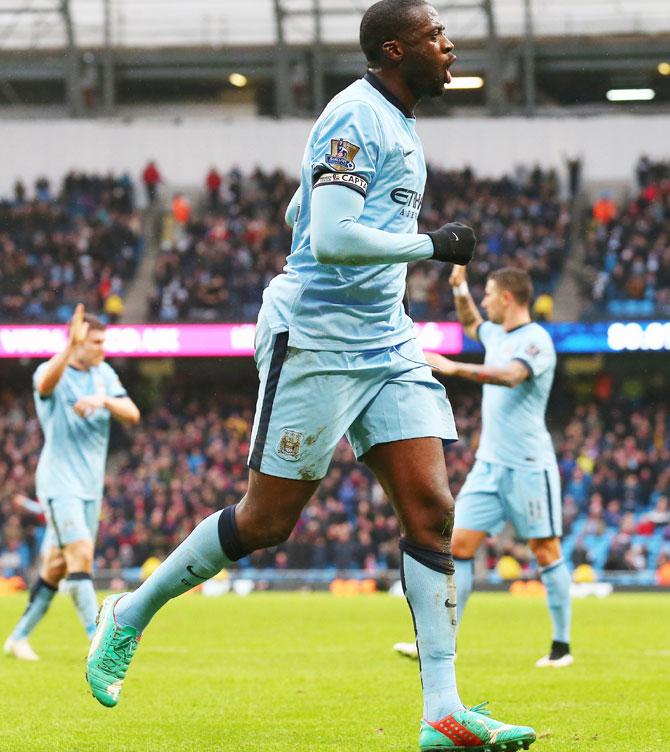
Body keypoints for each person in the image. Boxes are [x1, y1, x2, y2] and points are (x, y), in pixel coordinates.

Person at [86, 3, 536, 749]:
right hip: (319, 338)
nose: (449, 44)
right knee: (266, 522)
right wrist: (430, 244)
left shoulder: (396, 121)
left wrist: (343, 215)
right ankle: (129, 612)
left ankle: (442, 710)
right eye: (434, 36)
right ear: (396, 49)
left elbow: (308, 205)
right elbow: (326, 236)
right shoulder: (354, 117)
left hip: (386, 337)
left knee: (431, 508)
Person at [396, 265, 571, 668]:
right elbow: (473, 321)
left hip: (528, 464)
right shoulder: (496, 334)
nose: (486, 299)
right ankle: (444, 642)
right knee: (458, 547)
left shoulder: (536, 340)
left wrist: (456, 367)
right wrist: (459, 288)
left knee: (545, 549)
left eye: (489, 293)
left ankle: (561, 648)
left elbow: (511, 376)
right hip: (489, 465)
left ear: (508, 297)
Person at [3, 305, 140, 661]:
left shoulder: (104, 375)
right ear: (77, 343)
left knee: (56, 567)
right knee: (81, 554)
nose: (102, 348)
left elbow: (133, 414)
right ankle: (98, 639)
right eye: (95, 341)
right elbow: (46, 384)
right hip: (58, 484)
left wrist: (103, 400)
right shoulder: (52, 372)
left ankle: (17, 638)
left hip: (90, 487)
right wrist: (68, 348)